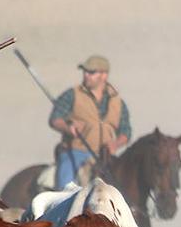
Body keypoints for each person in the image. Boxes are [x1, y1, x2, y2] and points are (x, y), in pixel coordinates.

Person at [48, 55, 131, 188]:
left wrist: (116, 144)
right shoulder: (72, 94)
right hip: (76, 151)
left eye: (91, 72)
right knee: (65, 184)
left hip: (105, 157)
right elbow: (55, 118)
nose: (86, 75)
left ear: (104, 76)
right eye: (85, 72)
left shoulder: (118, 102)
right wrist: (67, 127)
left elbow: (125, 131)